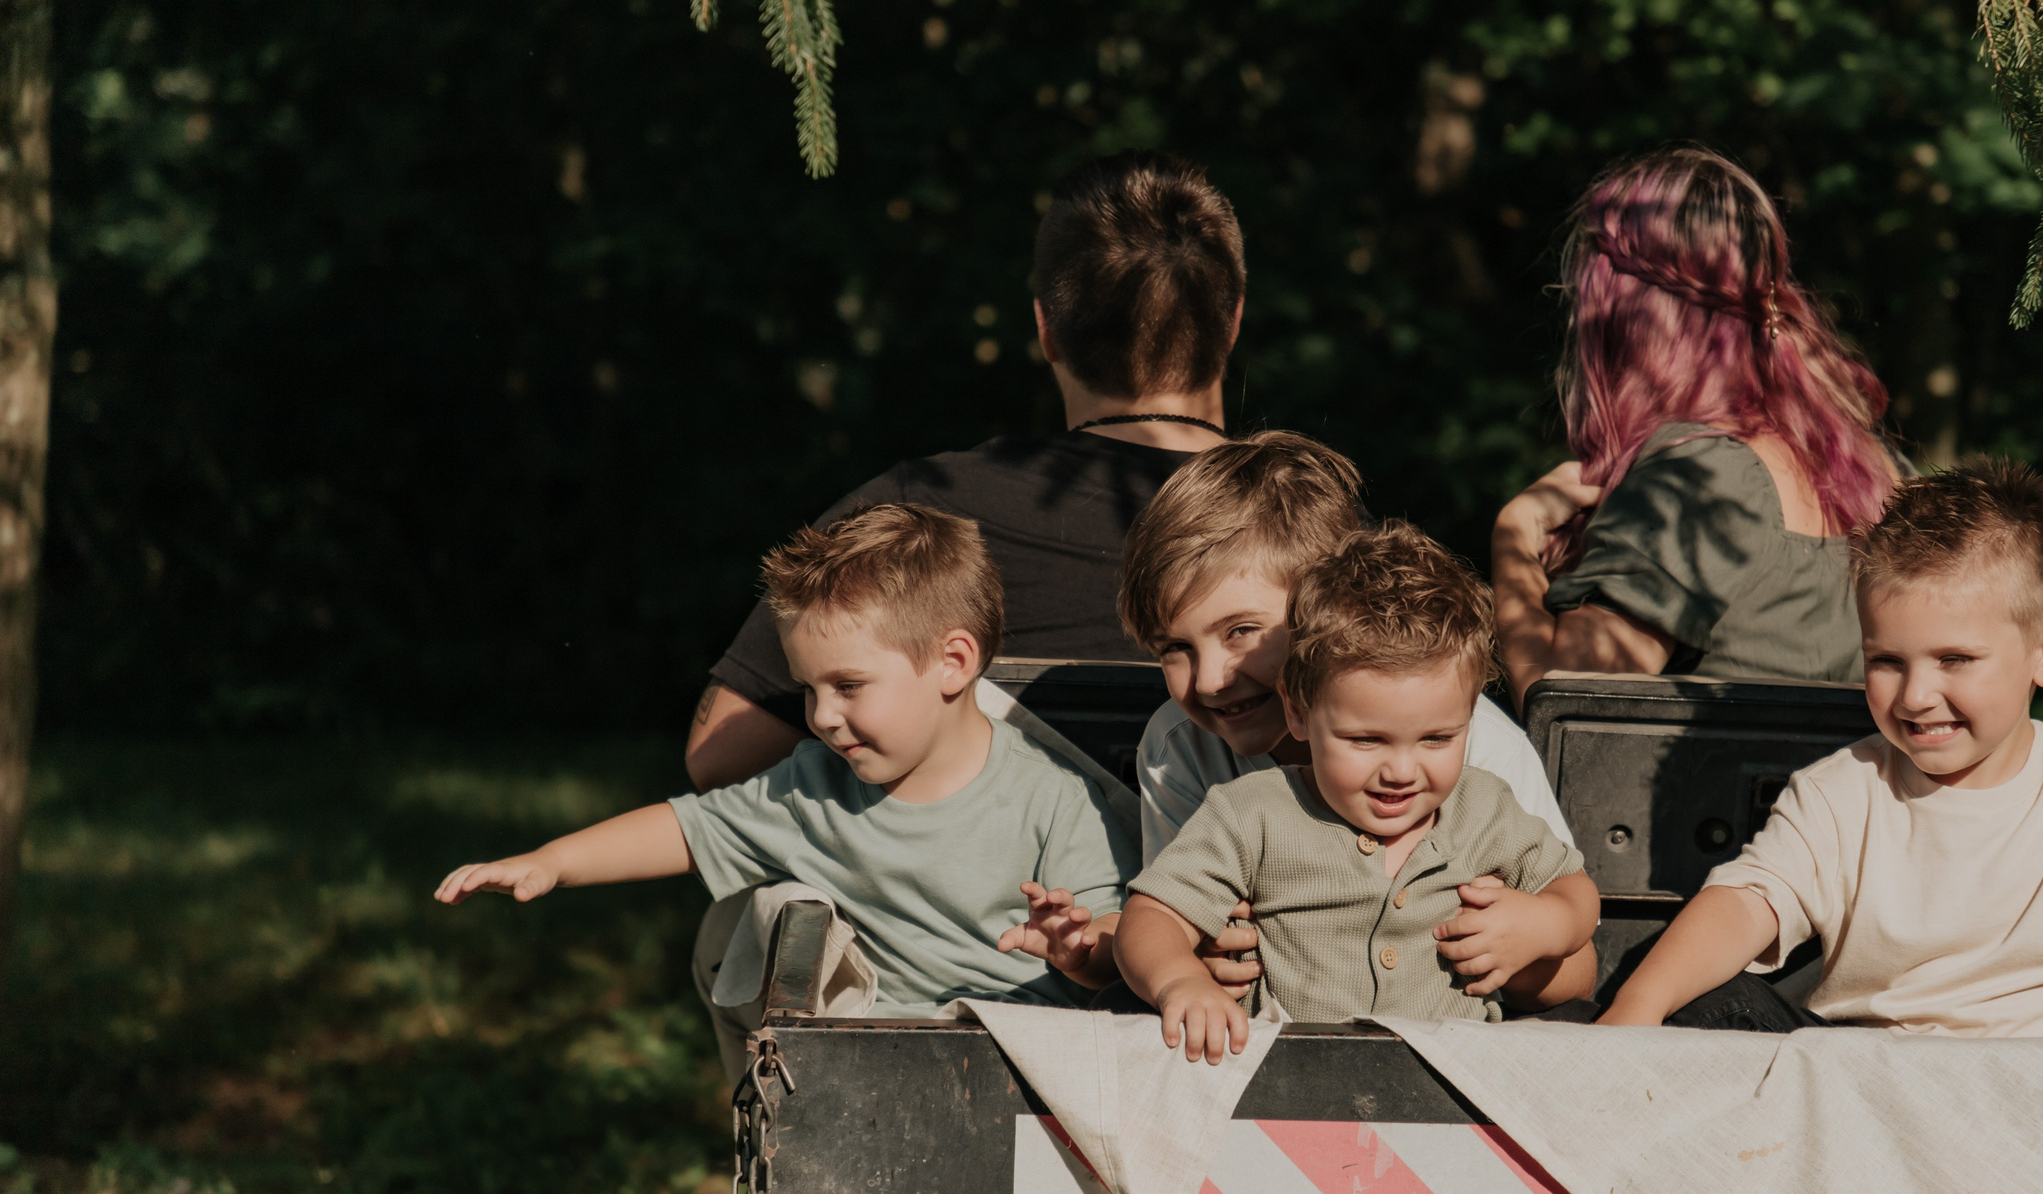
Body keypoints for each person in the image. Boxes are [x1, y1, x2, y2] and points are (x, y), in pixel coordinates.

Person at [435, 505, 1146, 1082]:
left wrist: (1079, 948)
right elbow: (687, 829)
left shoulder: (1055, 799)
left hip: (1019, 1069)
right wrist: (552, 861)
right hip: (868, 1063)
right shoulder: (814, 788)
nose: (822, 715)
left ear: (952, 662)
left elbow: (1120, 943)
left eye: (848, 685)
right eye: (809, 688)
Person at [1593, 460, 2043, 1042]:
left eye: (1954, 659)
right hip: (1860, 1077)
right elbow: (1747, 900)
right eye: (1886, 660)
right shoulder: (1842, 791)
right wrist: (1638, 1009)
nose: (1915, 695)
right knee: (1695, 996)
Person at [686, 151, 1247, 792]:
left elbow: (717, 756)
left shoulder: (919, 511)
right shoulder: (1322, 525)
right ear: (1231, 322)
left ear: (1047, 329)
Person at [1014, 523, 1600, 1062]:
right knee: (1124, 1015)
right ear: (1300, 712)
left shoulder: (1485, 801)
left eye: (1437, 738)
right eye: (1366, 740)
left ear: (1467, 719)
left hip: (1457, 1072)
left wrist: (1545, 924)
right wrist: (1180, 980)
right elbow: (1154, 914)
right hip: (1285, 1072)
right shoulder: (1255, 811)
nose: (1402, 770)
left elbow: (1575, 892)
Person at [1491, 146, 1901, 707]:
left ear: (1623, 315)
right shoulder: (1876, 469)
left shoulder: (1700, 476)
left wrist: (1515, 535)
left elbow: (1571, 714)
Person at [1117, 431, 1575, 860]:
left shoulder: (1476, 747)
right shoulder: (1180, 747)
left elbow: (1566, 915)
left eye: (1240, 631)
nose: (1211, 680)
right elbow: (1174, 920)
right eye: (1175, 648)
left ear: (1326, 602)